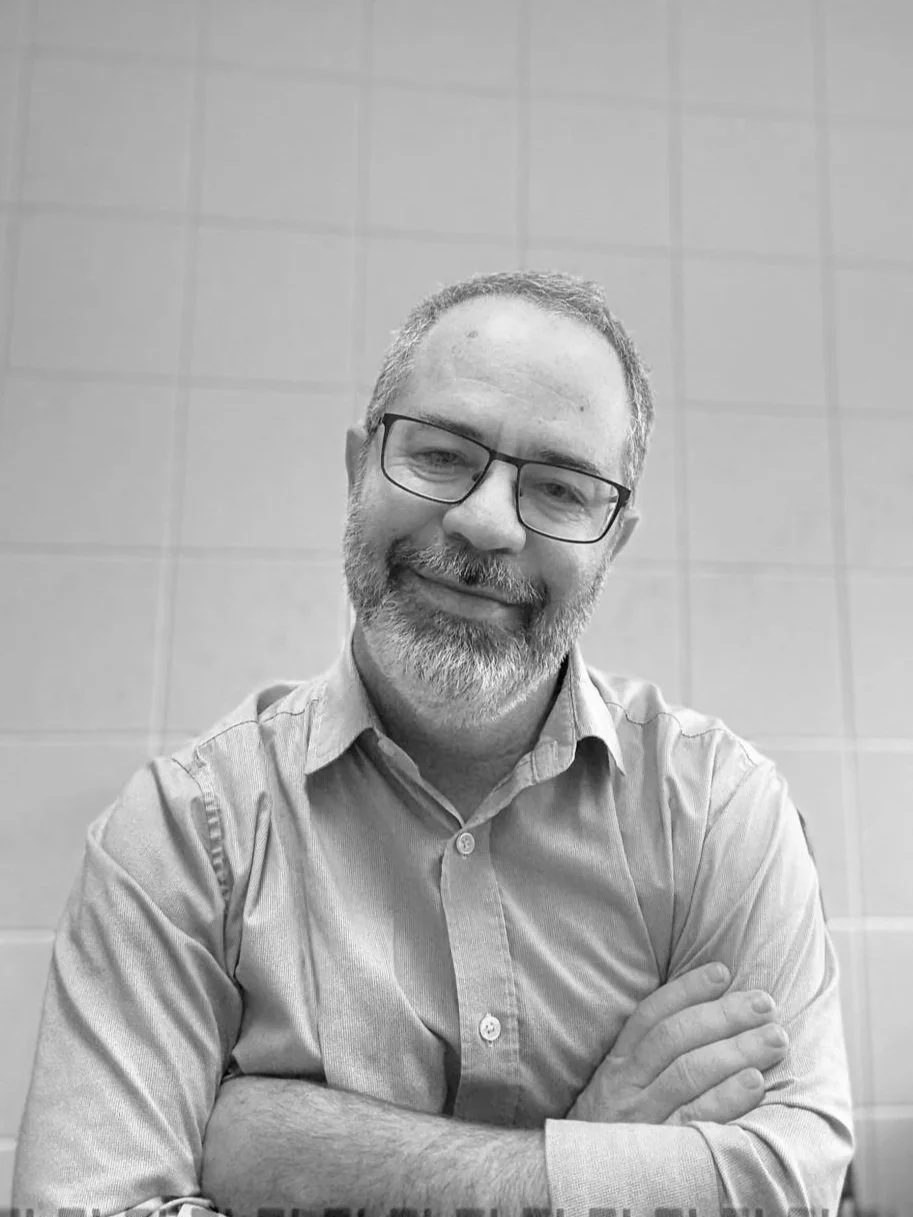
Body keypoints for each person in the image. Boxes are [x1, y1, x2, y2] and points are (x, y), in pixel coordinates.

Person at [13, 270, 853, 1217]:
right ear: (357, 470)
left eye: (560, 489)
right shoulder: (183, 836)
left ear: (612, 542)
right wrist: (597, 1148)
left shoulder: (718, 811)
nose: (485, 522)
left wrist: (311, 1159)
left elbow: (789, 1183)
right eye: (442, 455)